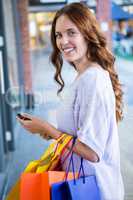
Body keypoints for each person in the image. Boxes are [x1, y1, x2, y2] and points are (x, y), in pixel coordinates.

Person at [17, 3, 124, 200]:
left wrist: (50, 130)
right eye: (58, 35)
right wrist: (46, 131)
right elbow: (80, 131)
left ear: (87, 34)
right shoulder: (83, 76)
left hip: (93, 189)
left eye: (71, 32)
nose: (63, 41)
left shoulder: (92, 79)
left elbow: (92, 152)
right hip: (77, 183)